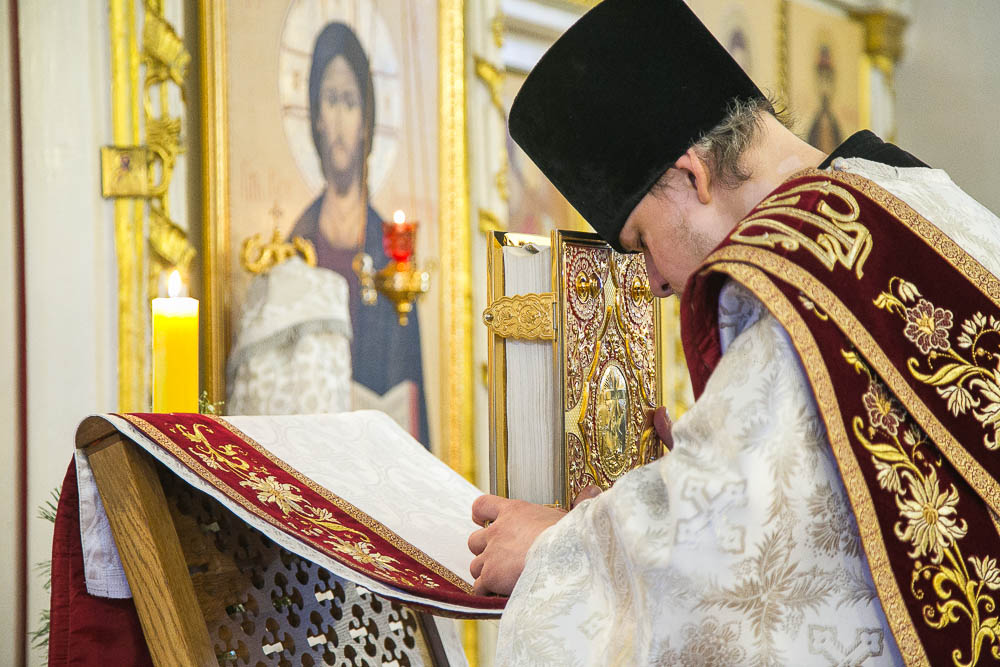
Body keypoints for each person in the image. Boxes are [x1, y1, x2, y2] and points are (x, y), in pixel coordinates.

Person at [467, 1, 1000, 664]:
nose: (654, 282)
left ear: (692, 176)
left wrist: (558, 550)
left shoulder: (793, 273)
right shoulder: (928, 202)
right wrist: (706, 466)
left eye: (641, 241)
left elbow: (729, 577)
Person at [290, 22, 429, 446]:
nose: (339, 119)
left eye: (350, 103)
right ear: (316, 116)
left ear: (366, 121)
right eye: (331, 100)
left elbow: (409, 381)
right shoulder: (297, 242)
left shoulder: (389, 254)